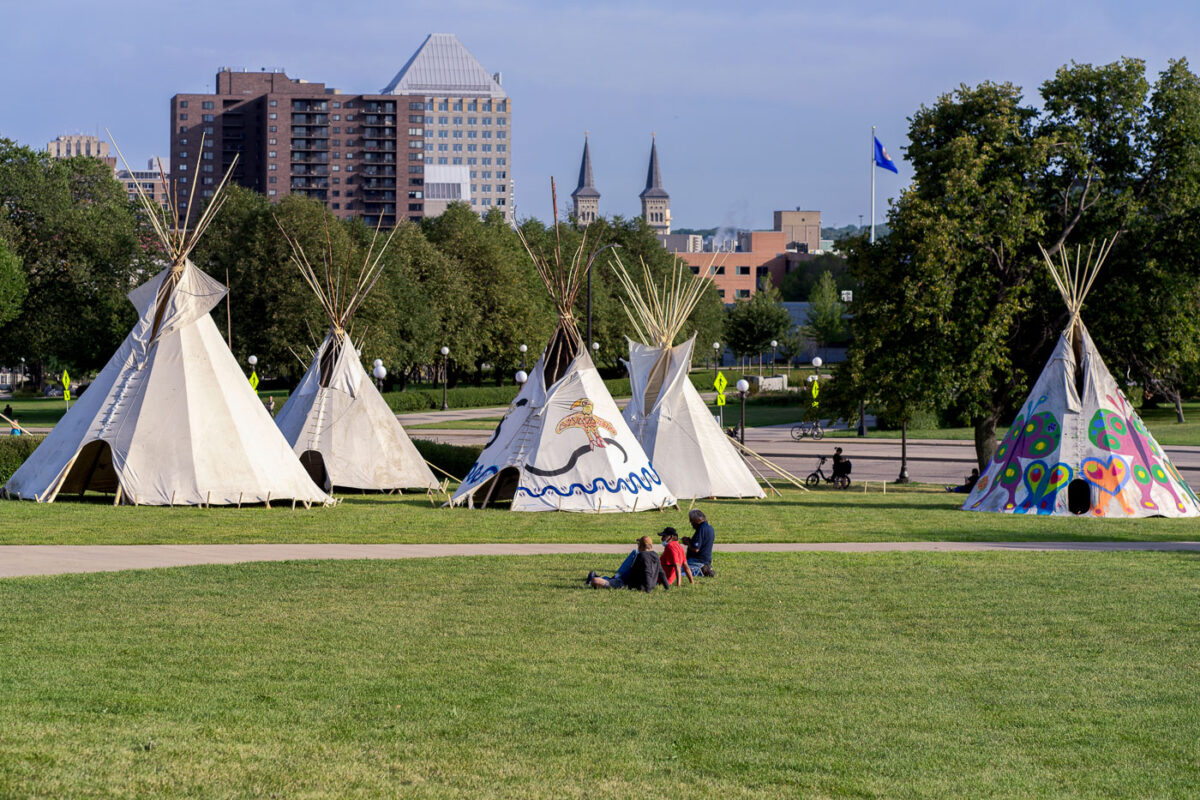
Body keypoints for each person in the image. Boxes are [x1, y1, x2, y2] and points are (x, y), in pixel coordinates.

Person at [587, 536, 668, 591]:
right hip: (631, 581)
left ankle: (594, 577)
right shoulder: (655, 555)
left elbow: (643, 572)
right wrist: (667, 587)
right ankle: (601, 578)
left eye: (638, 544)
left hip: (624, 582)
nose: (637, 546)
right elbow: (661, 572)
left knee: (595, 580)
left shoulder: (641, 555)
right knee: (611, 579)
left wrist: (647, 590)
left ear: (641, 546)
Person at [684, 509, 715, 577]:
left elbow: (696, 549)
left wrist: (688, 543)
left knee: (678, 572)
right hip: (705, 559)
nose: (691, 524)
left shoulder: (701, 529)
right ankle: (704, 568)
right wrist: (690, 541)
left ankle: (701, 571)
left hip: (697, 560)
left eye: (691, 521)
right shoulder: (709, 527)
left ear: (696, 521)